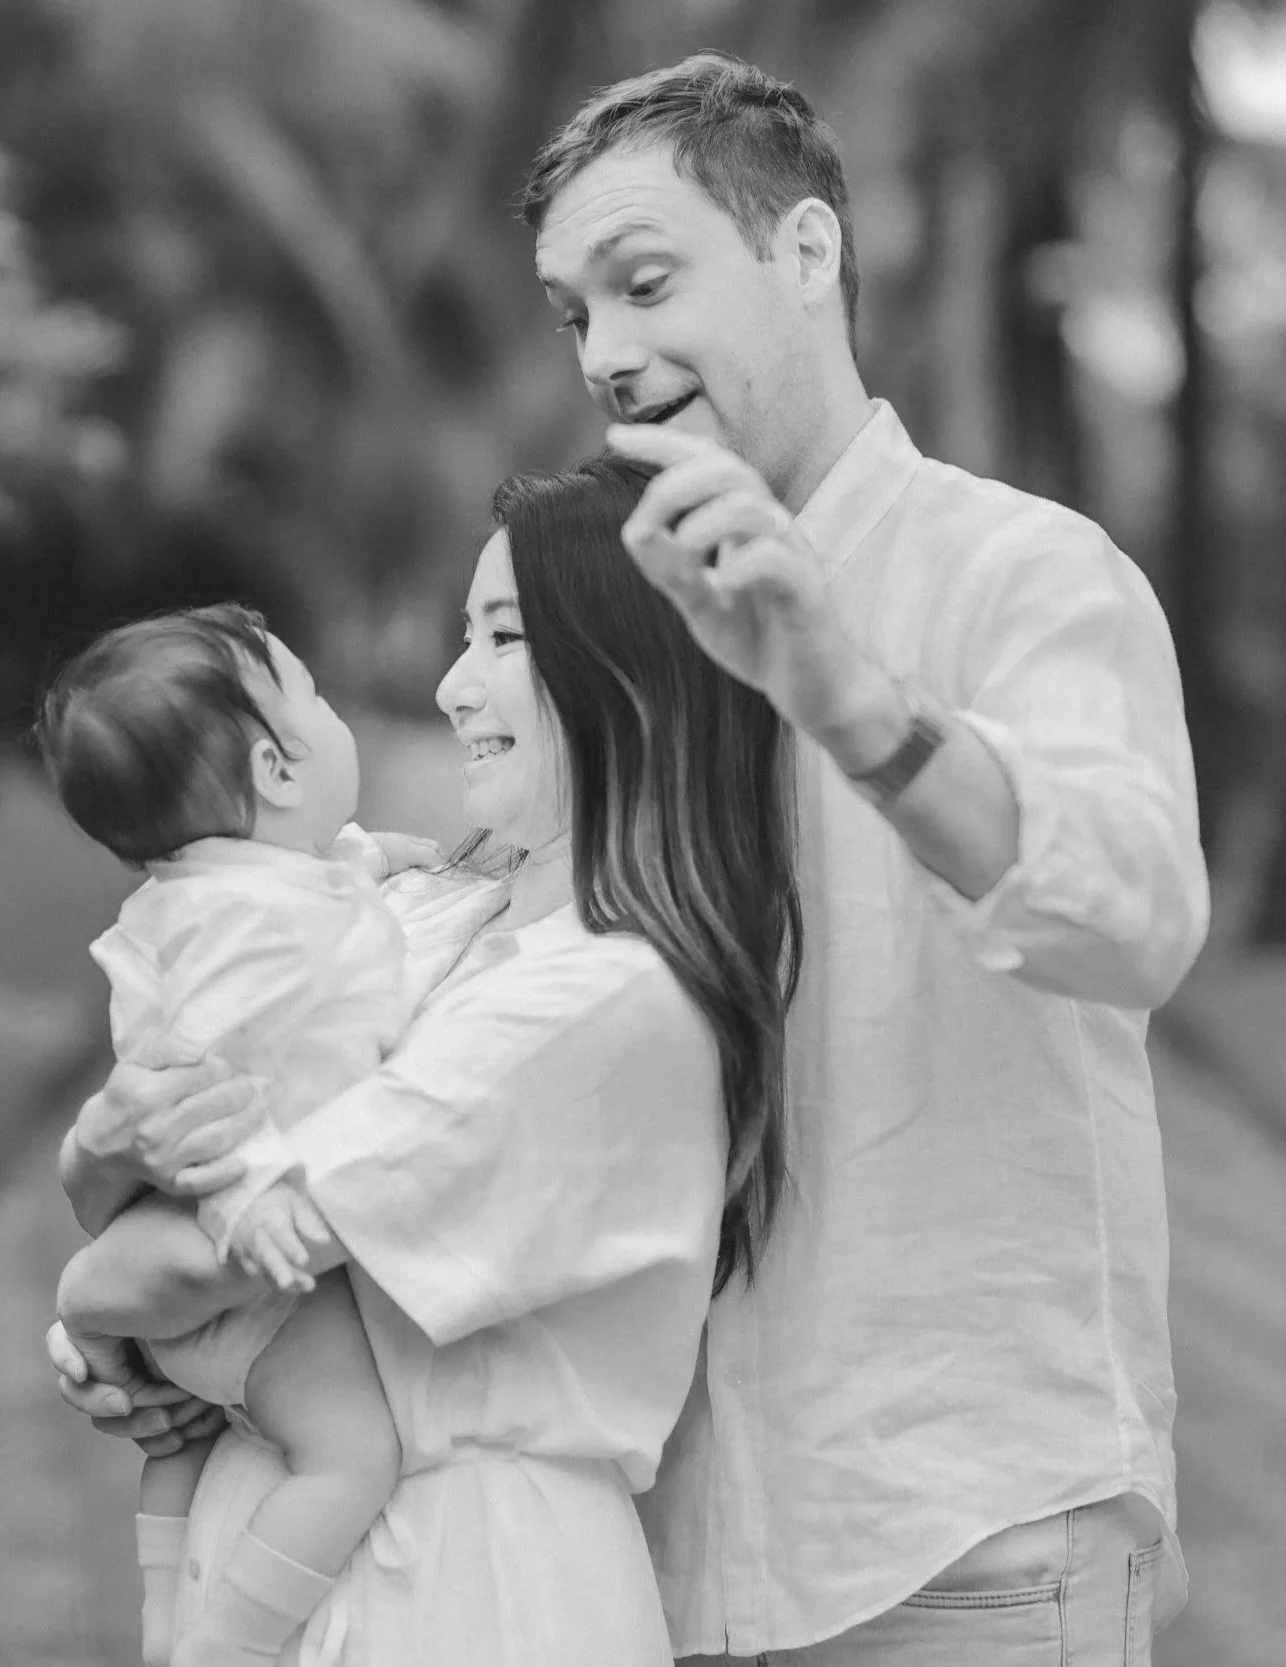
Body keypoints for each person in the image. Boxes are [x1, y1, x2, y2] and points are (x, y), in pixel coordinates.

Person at [522, 51, 1210, 1667]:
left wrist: (854, 701)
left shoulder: (1021, 571)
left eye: (641, 283)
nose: (604, 355)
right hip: (674, 1555)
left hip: (965, 1550)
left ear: (806, 251)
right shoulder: (634, 626)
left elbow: (1131, 914)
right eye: (572, 315)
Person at [47, 458, 804, 1665]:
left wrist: (95, 1296)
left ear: (631, 669)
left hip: (459, 1584)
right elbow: (172, 1159)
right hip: (324, 1535)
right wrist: (102, 1160)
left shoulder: (600, 995)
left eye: (502, 636)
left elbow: (234, 1239)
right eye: (465, 634)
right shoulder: (422, 911)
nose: (453, 686)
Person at [35, 603, 445, 1667]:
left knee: (184, 1436)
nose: (331, 708)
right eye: (312, 694)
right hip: (252, 1267)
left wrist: (382, 857)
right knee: (352, 1453)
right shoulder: (251, 931)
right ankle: (229, 1646)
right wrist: (249, 1201)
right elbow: (208, 1085)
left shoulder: (231, 889)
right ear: (275, 767)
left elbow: (325, 873)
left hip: (187, 1277)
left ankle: (162, 1619)